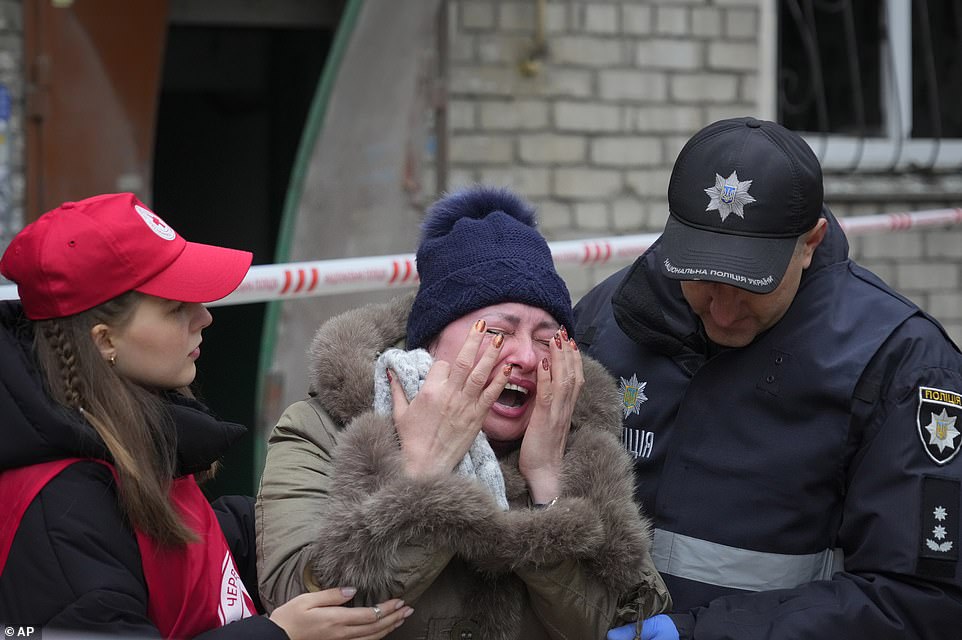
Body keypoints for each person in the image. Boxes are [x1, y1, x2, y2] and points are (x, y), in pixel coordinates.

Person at [572, 117, 962, 640]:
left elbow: (922, 601)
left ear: (810, 242)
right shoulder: (608, 319)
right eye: (705, 278)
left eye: (753, 284)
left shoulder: (901, 364)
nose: (725, 311)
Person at [255, 185, 672, 639]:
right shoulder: (321, 428)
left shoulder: (583, 442)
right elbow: (298, 602)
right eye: (497, 333)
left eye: (545, 336)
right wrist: (422, 474)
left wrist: (548, 485)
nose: (527, 359)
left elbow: (623, 621)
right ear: (430, 342)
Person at [0, 193, 411, 639]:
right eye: (176, 308)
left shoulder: (119, 436)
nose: (205, 317)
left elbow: (184, 561)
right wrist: (279, 635)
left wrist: (292, 513)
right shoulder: (58, 508)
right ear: (104, 341)